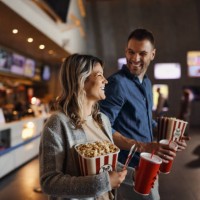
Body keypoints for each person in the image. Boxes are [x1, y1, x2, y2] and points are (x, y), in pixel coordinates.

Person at [100, 28, 189, 199]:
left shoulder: (147, 83)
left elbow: (146, 121)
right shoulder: (117, 84)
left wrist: (172, 136)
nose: (135, 58)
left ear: (153, 54)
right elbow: (102, 129)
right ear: (126, 51)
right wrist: (144, 146)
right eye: (131, 52)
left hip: (148, 164)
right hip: (127, 170)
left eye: (142, 53)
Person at [39, 54, 127, 200]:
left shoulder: (103, 120)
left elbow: (106, 164)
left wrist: (134, 174)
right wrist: (104, 182)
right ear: (81, 79)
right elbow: (49, 183)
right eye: (99, 75)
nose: (106, 80)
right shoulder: (57, 123)